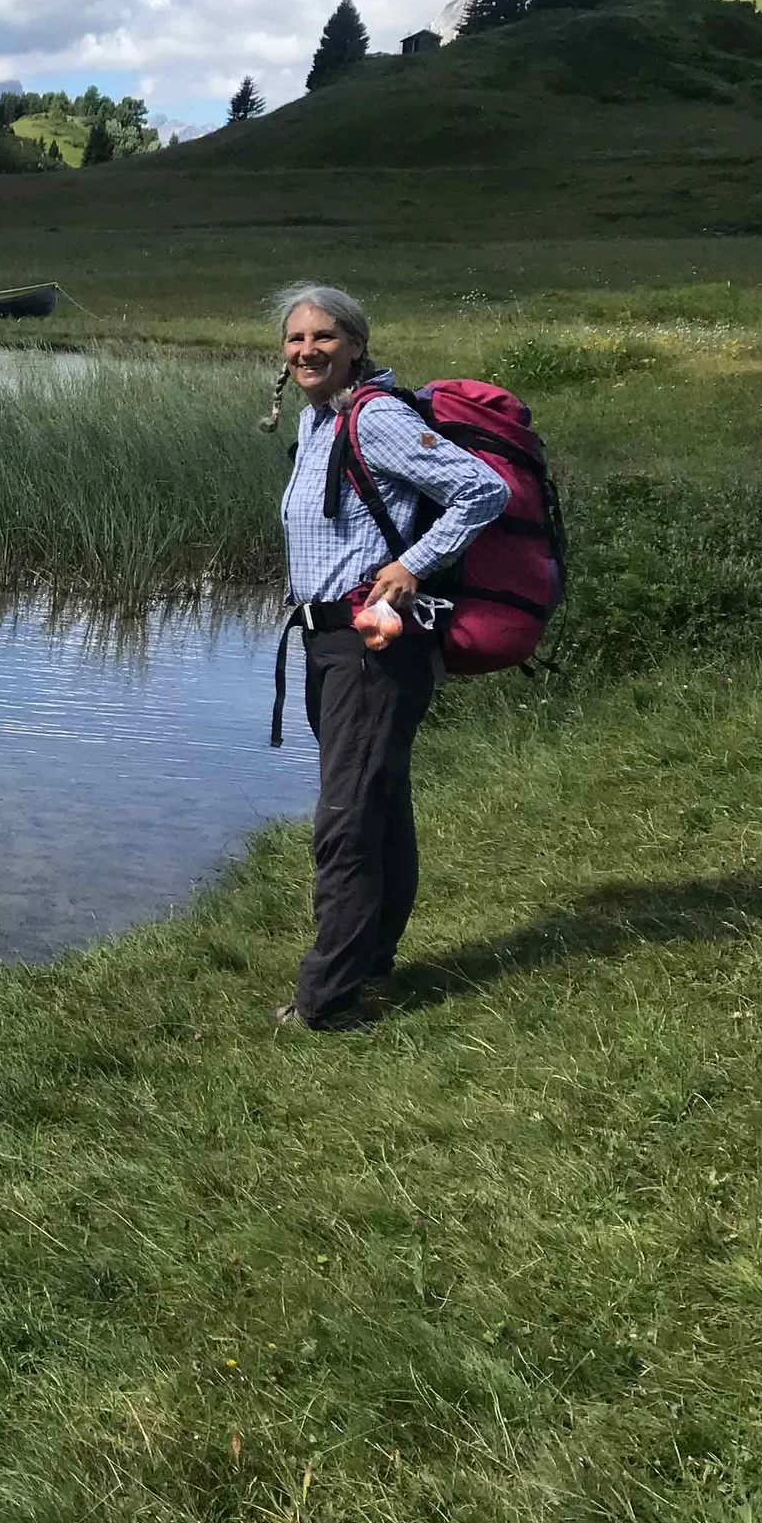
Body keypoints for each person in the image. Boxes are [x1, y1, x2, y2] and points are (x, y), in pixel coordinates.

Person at [270, 283, 508, 1030]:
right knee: (378, 806)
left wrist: (413, 564)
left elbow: (483, 488)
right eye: (295, 338)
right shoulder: (319, 422)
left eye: (324, 337)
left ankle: (328, 1003)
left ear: (356, 345)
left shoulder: (377, 419)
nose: (307, 349)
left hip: (372, 648)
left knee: (344, 820)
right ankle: (371, 961)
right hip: (327, 644)